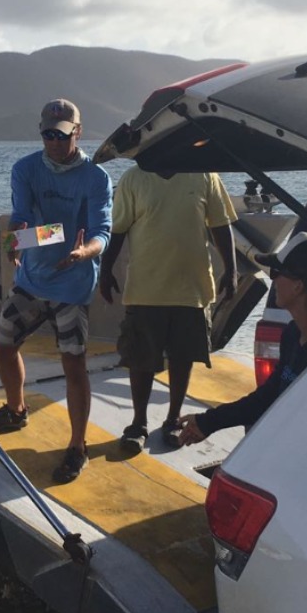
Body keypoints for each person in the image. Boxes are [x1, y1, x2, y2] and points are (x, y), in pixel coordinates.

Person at [0, 99, 112, 484]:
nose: (53, 141)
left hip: (73, 284)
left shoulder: (96, 178)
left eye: (62, 135)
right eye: (47, 134)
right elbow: (23, 216)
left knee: (73, 363)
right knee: (3, 346)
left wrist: (84, 252)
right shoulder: (25, 169)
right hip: (32, 281)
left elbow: (102, 231)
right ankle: (15, 410)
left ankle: (78, 446)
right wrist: (15, 241)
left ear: (78, 133)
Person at [177, 233, 307, 448]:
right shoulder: (293, 333)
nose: (272, 280)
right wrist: (207, 422)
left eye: (276, 273)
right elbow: (268, 396)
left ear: (298, 286)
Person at [100, 166, 238, 453]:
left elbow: (221, 224)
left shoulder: (205, 175)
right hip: (145, 289)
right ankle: (138, 423)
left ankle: (173, 419)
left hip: (192, 289)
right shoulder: (133, 178)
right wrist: (106, 270)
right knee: (140, 359)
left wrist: (231, 269)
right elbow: (118, 229)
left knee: (182, 357)